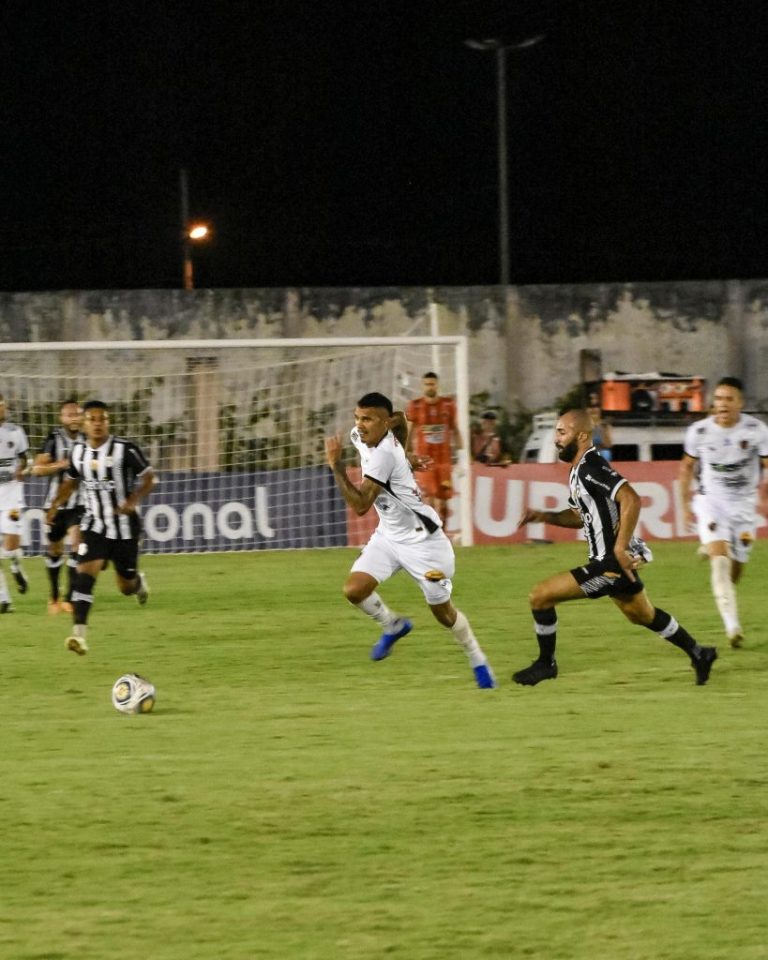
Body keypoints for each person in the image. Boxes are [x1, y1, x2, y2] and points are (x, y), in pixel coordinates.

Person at [513, 408, 717, 687]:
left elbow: (631, 499)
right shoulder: (578, 470)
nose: (556, 439)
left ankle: (546, 664)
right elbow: (579, 516)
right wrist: (545, 515)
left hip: (608, 564)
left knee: (540, 596)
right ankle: (698, 652)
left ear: (582, 435)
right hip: (614, 564)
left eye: (562, 432)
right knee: (642, 615)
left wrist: (620, 549)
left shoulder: (591, 467)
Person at [325, 392, 495, 688]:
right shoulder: (363, 437)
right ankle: (393, 624)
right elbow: (403, 419)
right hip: (389, 536)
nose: (360, 425)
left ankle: (477, 657)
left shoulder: (384, 455)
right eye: (357, 417)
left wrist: (336, 465)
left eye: (368, 419)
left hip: (424, 543)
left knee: (443, 613)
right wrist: (406, 456)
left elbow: (361, 504)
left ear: (385, 422)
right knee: (354, 590)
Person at [45, 400, 155, 655]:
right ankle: (78, 635)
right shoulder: (78, 452)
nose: (97, 424)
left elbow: (150, 478)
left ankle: (139, 584)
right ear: (84, 423)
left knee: (125, 586)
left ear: (108, 422)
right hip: (94, 525)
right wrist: (54, 505)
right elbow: (70, 482)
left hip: (124, 527)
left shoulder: (124, 450)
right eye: (92, 419)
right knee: (84, 576)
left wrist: (132, 501)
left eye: (102, 419)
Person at [679, 376, 768, 649]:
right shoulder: (699, 432)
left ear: (740, 403)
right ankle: (733, 626)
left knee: (736, 568)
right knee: (721, 562)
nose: (723, 404)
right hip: (711, 502)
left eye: (729, 399)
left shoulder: (757, 430)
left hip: (743, 506)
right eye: (718, 399)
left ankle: (712, 548)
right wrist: (684, 504)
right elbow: (686, 468)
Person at [31, 399, 85, 614]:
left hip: (80, 504)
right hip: (54, 504)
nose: (73, 418)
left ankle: (71, 599)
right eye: (69, 415)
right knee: (54, 551)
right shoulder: (54, 440)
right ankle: (54, 597)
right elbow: (36, 469)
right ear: (62, 418)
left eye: (77, 414)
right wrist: (59, 465)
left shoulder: (88, 440)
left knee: (78, 544)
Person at [405, 372, 464, 526]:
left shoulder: (448, 405)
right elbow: (409, 433)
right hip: (425, 461)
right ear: (422, 386)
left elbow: (455, 429)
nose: (430, 387)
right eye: (427, 384)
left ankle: (442, 532)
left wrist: (463, 455)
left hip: (444, 461)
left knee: (443, 501)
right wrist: (406, 454)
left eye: (432, 384)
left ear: (437, 385)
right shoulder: (416, 406)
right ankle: (430, 534)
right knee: (429, 499)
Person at [0, 393, 30, 613]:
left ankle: (16, 566)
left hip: (12, 495)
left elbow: (26, 459)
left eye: (1, 405)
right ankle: (4, 599)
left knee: (11, 543)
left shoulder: (15, 432)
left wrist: (23, 470)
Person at [586, 391, 613, 460]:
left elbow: (608, 444)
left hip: (601, 451)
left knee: (606, 454)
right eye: (590, 407)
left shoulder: (604, 426)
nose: (593, 410)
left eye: (596, 407)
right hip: (588, 453)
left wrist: (602, 430)